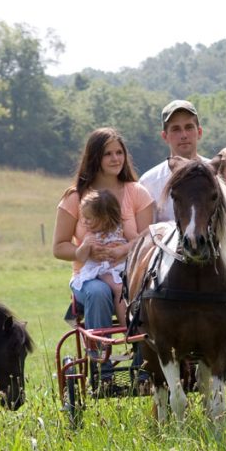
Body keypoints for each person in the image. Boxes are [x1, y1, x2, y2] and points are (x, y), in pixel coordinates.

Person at [139, 100, 226, 377]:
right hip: (173, 271)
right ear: (165, 136)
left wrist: (218, 222)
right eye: (176, 129)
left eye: (189, 127)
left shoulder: (219, 171)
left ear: (199, 132)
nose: (184, 134)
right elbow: (146, 232)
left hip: (218, 263)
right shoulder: (150, 181)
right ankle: (150, 356)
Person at [53, 127, 154, 351]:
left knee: (143, 288)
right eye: (108, 154)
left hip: (128, 269)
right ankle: (101, 370)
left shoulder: (137, 192)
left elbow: (147, 239)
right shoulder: (75, 197)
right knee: (99, 292)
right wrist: (82, 252)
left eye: (119, 152)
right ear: (94, 157)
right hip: (88, 274)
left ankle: (143, 363)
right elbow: (59, 247)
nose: (115, 158)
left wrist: (123, 251)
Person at [71, 189, 130, 327]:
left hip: (121, 267)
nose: (84, 221)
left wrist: (121, 249)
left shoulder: (120, 229)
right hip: (101, 270)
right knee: (120, 289)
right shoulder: (90, 237)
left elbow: (137, 241)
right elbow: (81, 256)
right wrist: (86, 247)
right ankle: (127, 329)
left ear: (104, 218)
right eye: (83, 217)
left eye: (88, 218)